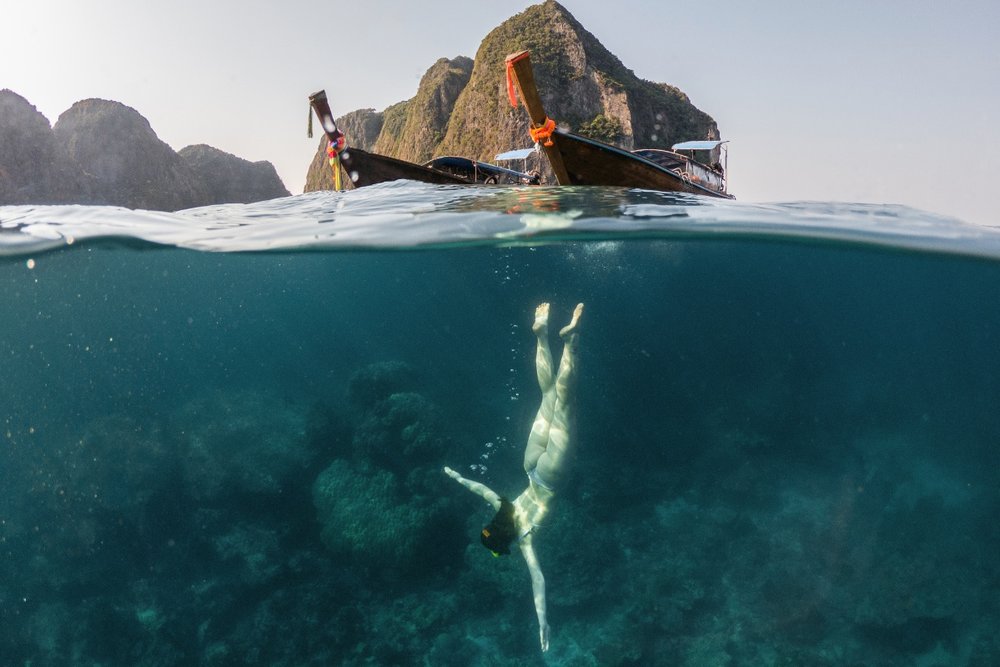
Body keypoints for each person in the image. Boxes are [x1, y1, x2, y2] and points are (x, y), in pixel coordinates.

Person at [443, 302, 584, 652]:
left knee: (564, 403)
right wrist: (456, 477)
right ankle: (541, 337)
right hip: (530, 465)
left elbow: (538, 580)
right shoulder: (502, 507)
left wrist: (543, 622)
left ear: (504, 543)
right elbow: (481, 489)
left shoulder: (523, 539)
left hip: (550, 478)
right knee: (548, 395)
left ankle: (570, 341)